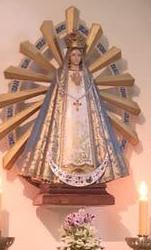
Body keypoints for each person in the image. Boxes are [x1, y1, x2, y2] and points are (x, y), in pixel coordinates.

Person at [17, 30, 128, 187]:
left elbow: (95, 109)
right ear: (69, 56)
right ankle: (59, 170)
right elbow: (54, 107)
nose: (76, 58)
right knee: (66, 136)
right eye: (73, 54)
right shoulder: (60, 77)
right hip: (66, 119)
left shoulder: (88, 78)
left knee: (85, 134)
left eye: (79, 55)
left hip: (84, 119)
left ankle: (92, 169)